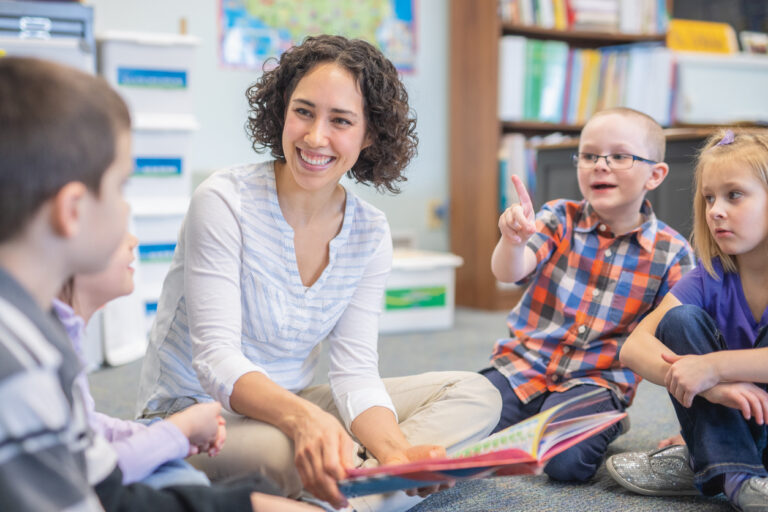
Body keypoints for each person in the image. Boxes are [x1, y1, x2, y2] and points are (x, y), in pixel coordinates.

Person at [136, 34, 502, 511]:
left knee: (477, 396)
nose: (314, 137)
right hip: (197, 415)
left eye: (341, 121)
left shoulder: (370, 230)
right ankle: (362, 489)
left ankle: (350, 487)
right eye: (303, 112)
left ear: (369, 135)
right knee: (299, 452)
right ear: (282, 111)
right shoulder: (223, 201)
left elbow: (354, 373)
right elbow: (216, 360)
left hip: (299, 400)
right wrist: (305, 422)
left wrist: (395, 450)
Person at [0, 56, 318, 512]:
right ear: (71, 211)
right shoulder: (24, 369)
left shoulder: (34, 334)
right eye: (121, 186)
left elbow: (103, 484)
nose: (127, 210)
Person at [479, 107, 695, 482]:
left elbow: (686, 342)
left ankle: (605, 420)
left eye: (620, 156)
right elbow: (508, 271)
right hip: (522, 367)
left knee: (566, 465)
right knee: (459, 431)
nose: (600, 165)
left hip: (595, 381)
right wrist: (512, 242)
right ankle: (536, 421)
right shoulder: (558, 217)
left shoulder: (672, 253)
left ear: (655, 175)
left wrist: (695, 430)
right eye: (590, 155)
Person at [606, 129, 768, 511]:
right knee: (679, 321)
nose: (715, 210)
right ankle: (736, 475)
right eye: (709, 198)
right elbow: (634, 348)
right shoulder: (710, 276)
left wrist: (711, 368)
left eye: (734, 195)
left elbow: (708, 368)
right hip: (742, 422)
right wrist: (710, 388)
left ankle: (706, 459)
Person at [54, 232, 225, 488]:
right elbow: (94, 470)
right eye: (118, 230)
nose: (133, 240)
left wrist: (167, 433)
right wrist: (181, 429)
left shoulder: (65, 339)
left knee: (181, 473)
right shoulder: (43, 355)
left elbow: (88, 424)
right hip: (85, 484)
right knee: (188, 483)